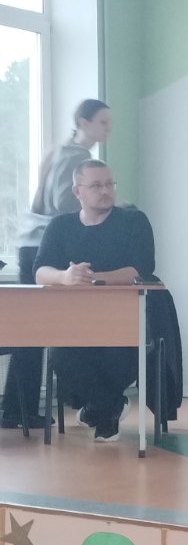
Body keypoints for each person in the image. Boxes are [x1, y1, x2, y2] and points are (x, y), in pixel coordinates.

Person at [1, 99, 112, 430]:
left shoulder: (63, 153)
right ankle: (20, 410)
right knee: (34, 332)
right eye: (103, 122)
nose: (108, 129)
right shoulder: (76, 158)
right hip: (41, 248)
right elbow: (63, 203)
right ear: (84, 122)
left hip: (32, 245)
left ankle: (16, 409)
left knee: (31, 331)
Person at [34, 159, 155, 443]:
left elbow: (141, 269)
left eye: (110, 184)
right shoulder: (60, 226)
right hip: (75, 319)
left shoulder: (134, 221)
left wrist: (94, 278)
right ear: (77, 191)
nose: (105, 191)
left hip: (126, 316)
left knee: (118, 355)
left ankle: (100, 410)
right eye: (96, 185)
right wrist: (65, 277)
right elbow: (39, 271)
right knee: (60, 354)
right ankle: (110, 407)